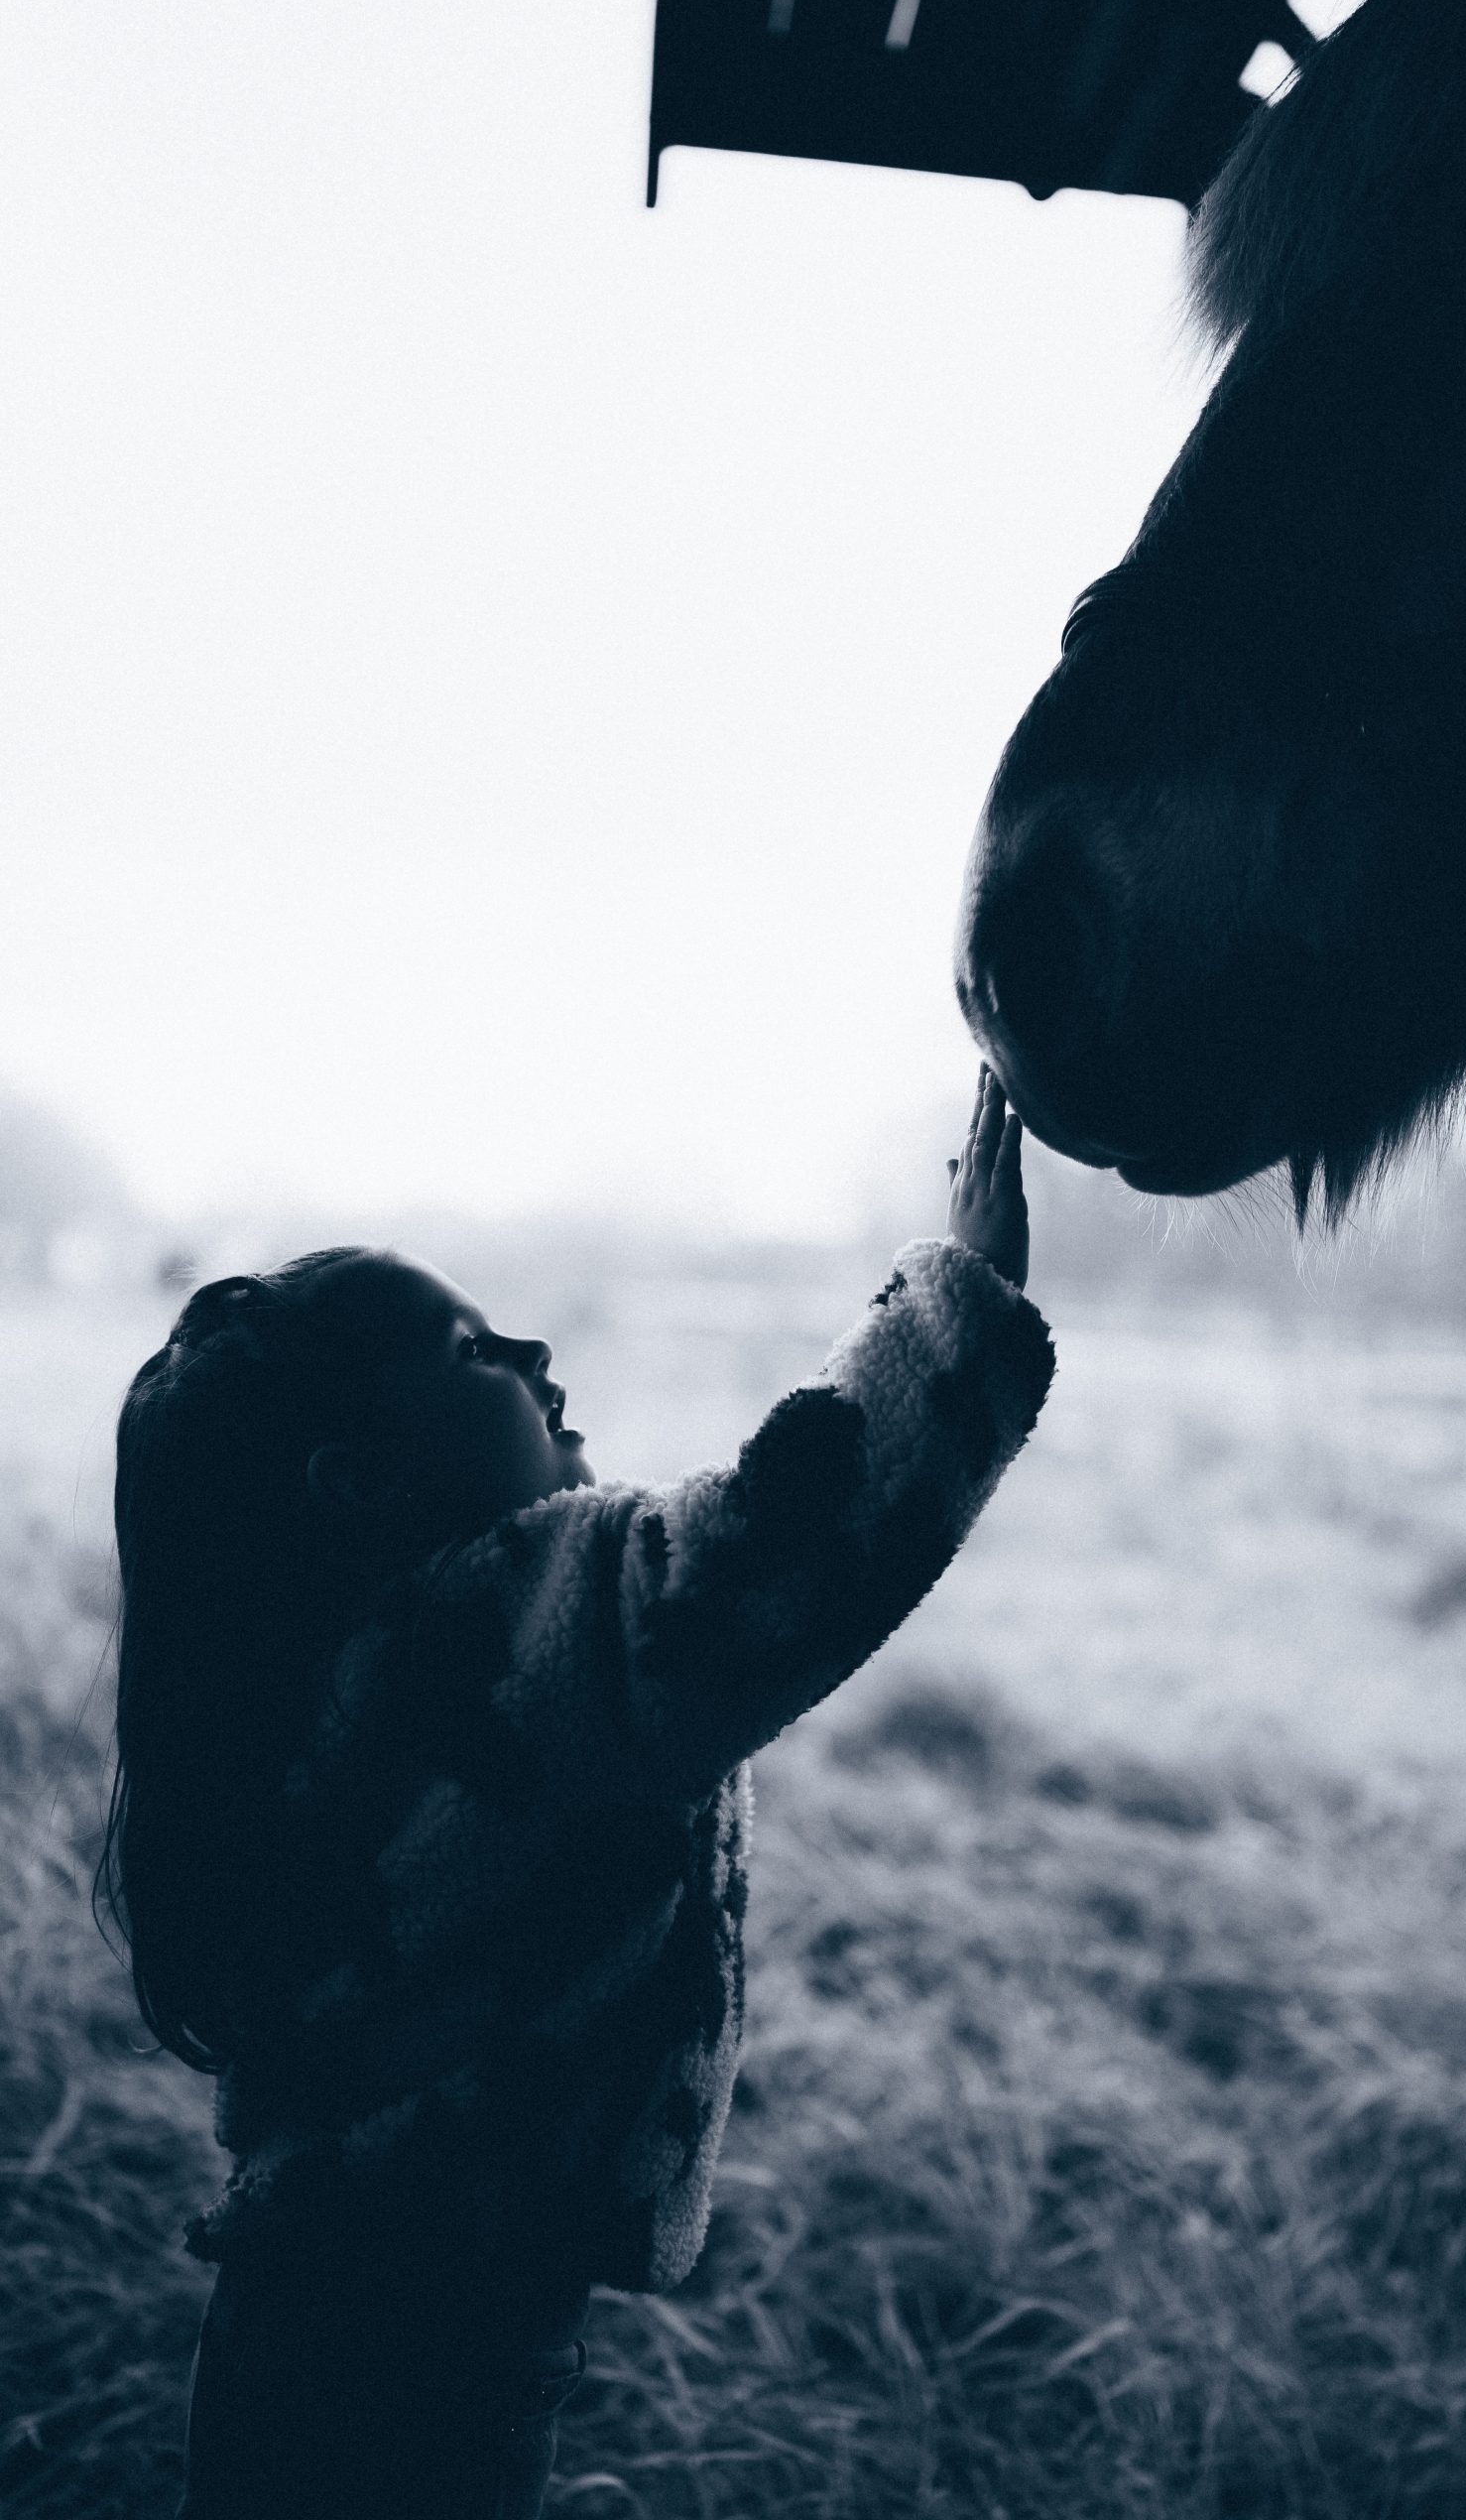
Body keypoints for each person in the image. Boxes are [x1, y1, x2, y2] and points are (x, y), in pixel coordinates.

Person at [96, 1069, 1052, 2520]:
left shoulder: (316, 1687)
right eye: (471, 1351)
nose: (535, 1348)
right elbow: (776, 1545)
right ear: (355, 1481)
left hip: (316, 2310)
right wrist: (960, 1300)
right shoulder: (509, 1624)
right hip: (421, 2346)